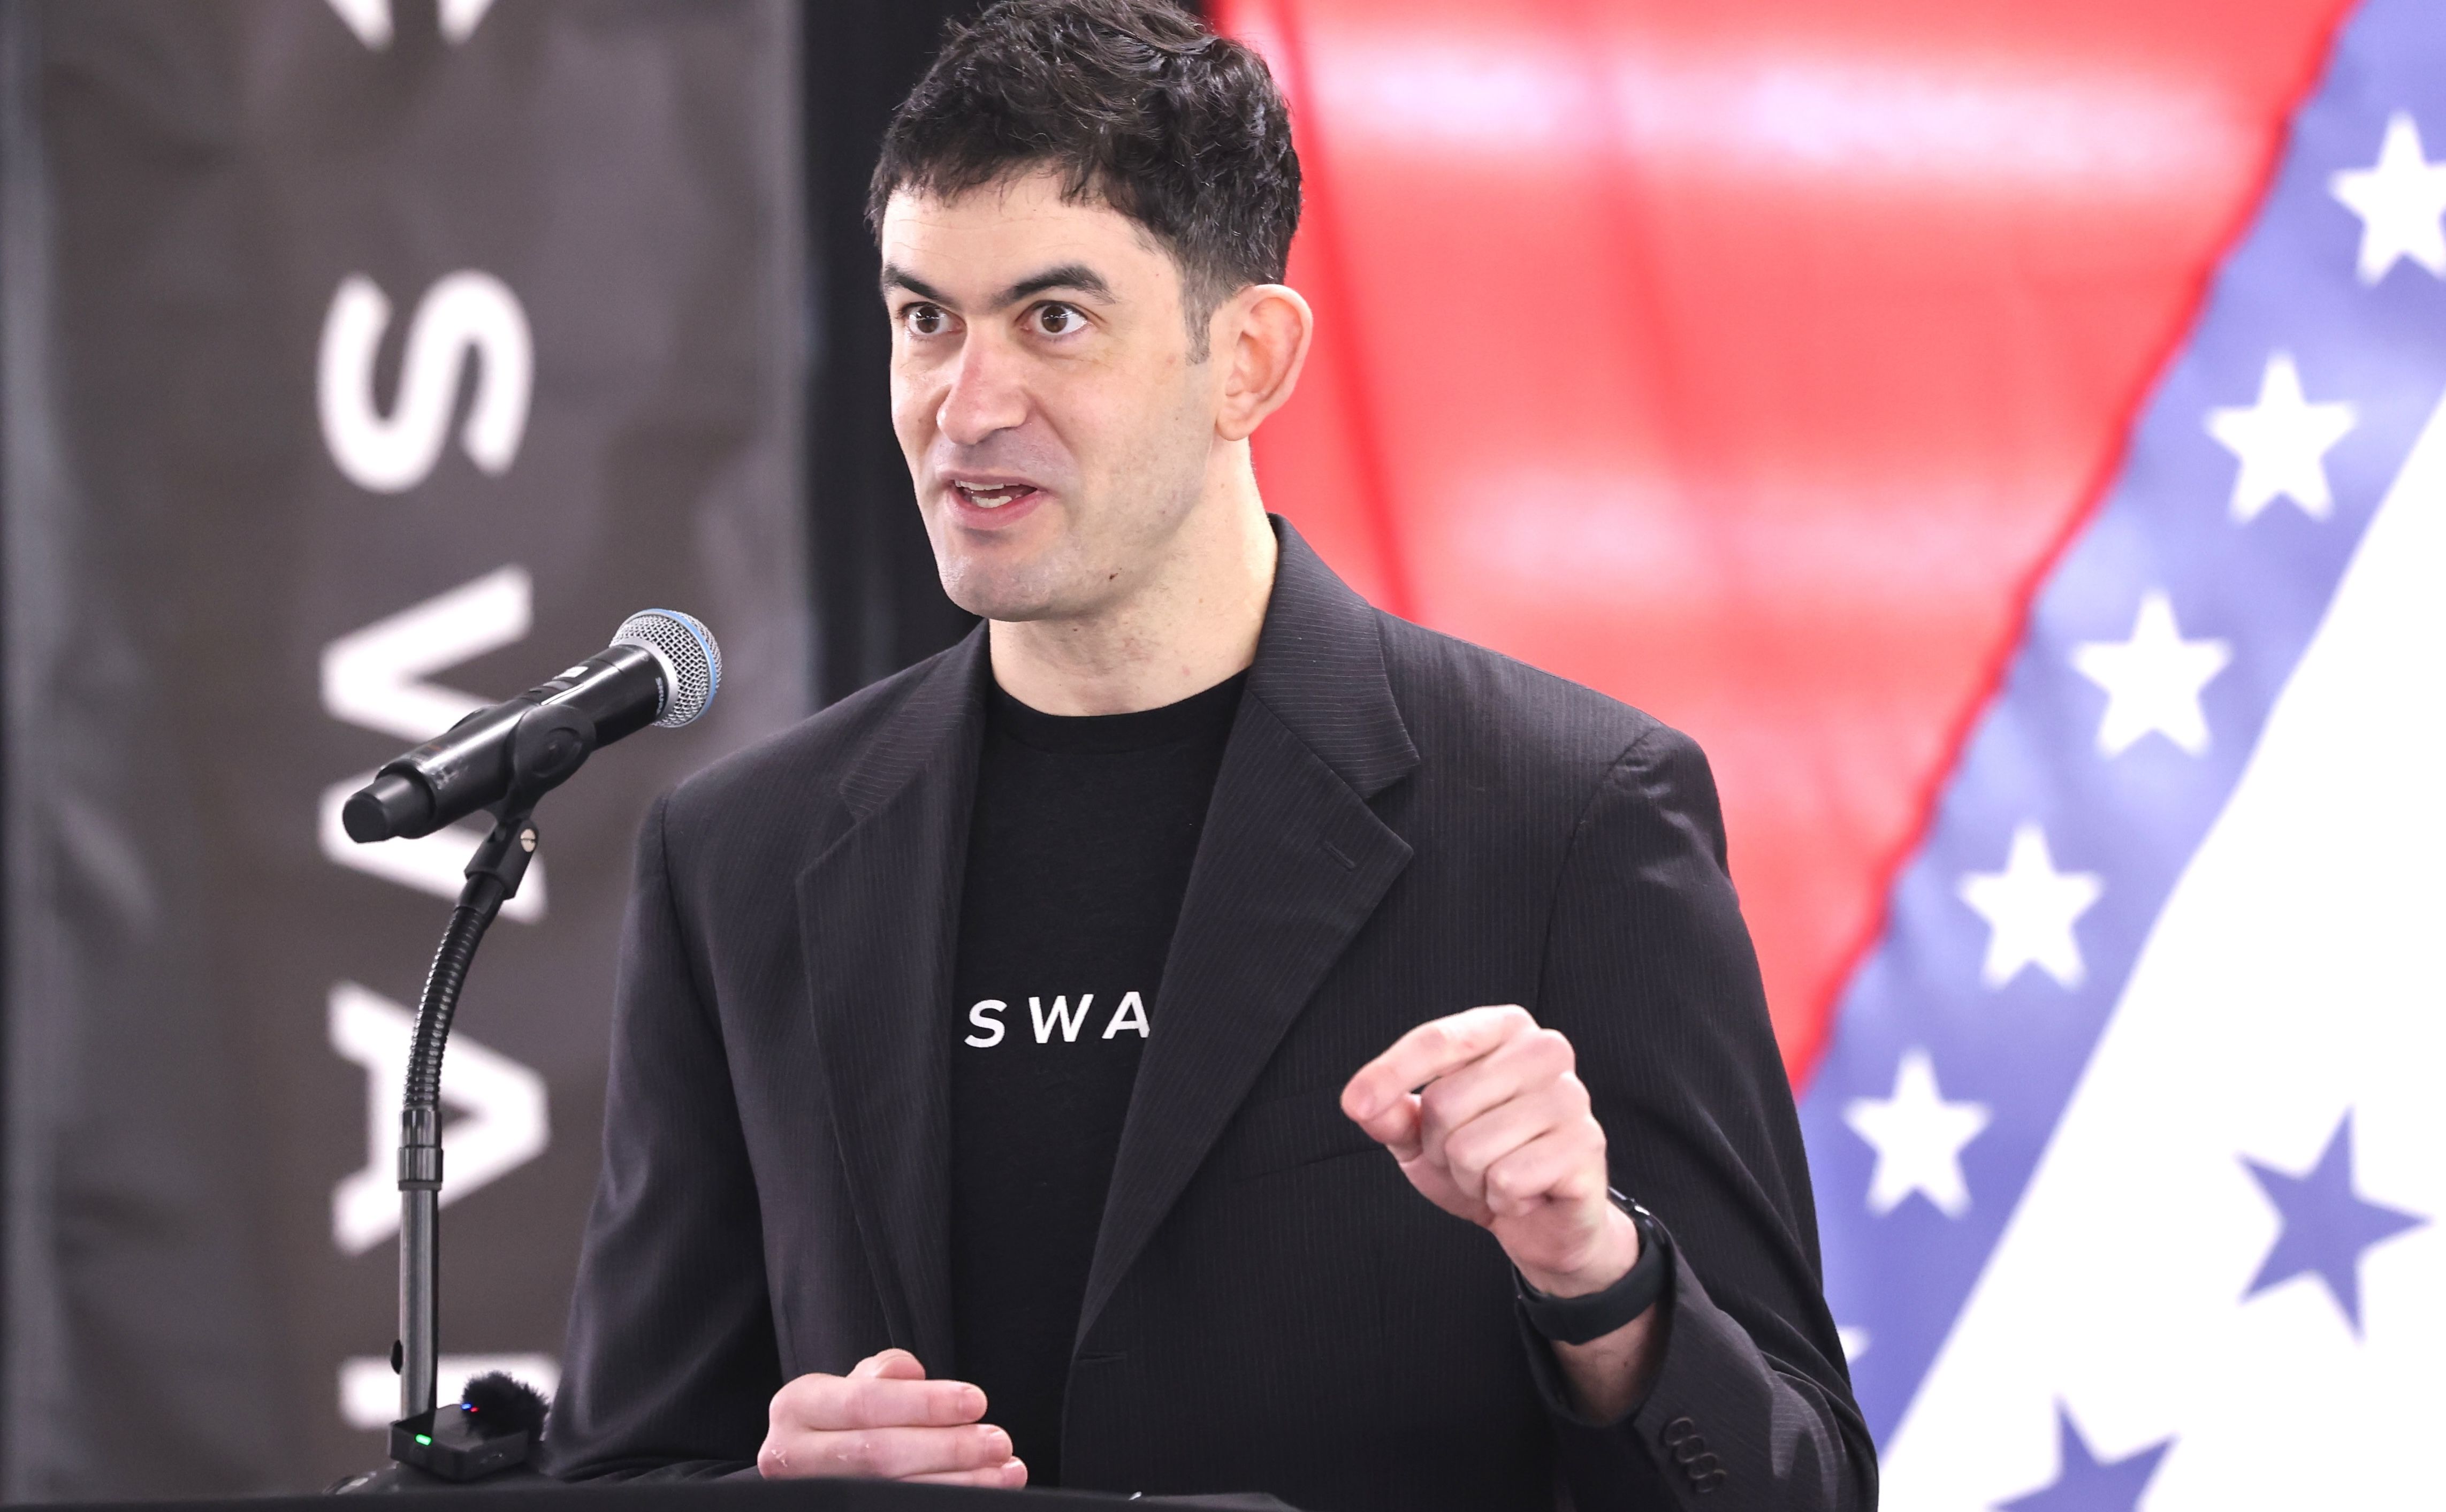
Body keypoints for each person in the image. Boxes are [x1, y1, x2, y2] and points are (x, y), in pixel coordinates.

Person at [546, 2, 1872, 1506]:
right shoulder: (741, 857)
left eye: (1053, 318)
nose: (963, 407)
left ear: (1247, 358)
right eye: (925, 317)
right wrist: (758, 1493)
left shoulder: (1569, 818)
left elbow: (1800, 1481)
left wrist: (1602, 1282)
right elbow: (623, 1459)